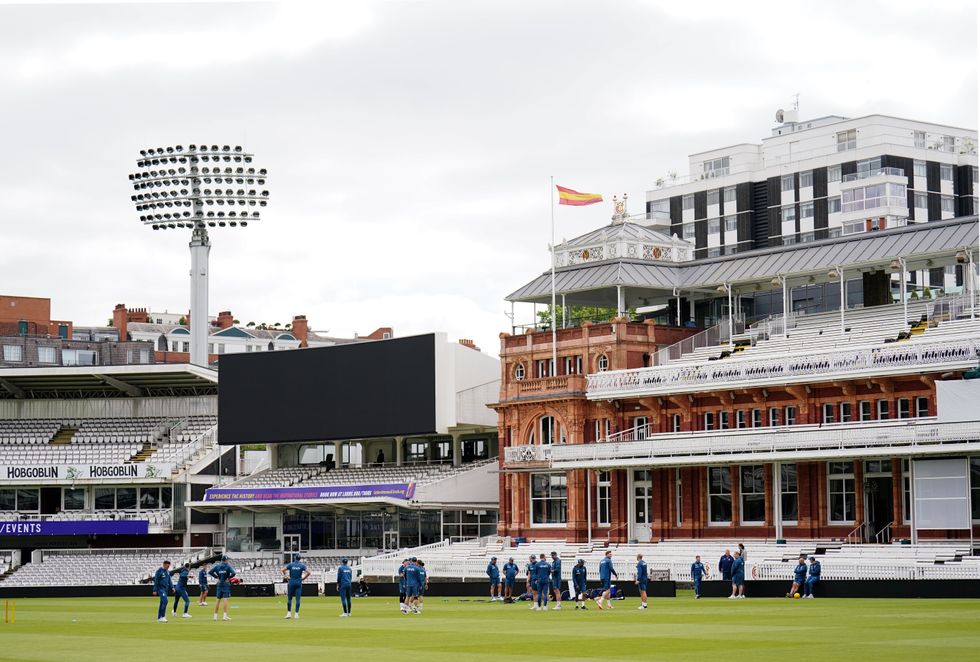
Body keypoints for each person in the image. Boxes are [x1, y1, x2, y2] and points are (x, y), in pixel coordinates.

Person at [282, 554, 310, 619]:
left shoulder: (291, 564)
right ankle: (296, 614)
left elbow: (283, 570)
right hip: (298, 582)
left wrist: (287, 577)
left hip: (291, 582)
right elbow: (308, 573)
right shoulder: (302, 565)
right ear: (300, 559)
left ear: (295, 558)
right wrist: (303, 579)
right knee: (298, 599)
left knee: (289, 599)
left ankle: (289, 613)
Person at [209, 555, 236, 621]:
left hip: (219, 584)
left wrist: (216, 577)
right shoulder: (228, 566)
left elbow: (210, 572)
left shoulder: (217, 566)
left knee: (218, 600)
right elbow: (234, 573)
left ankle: (215, 616)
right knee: (225, 600)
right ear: (226, 560)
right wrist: (228, 578)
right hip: (225, 584)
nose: (228, 561)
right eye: (227, 560)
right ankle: (224, 616)